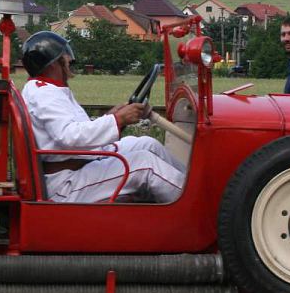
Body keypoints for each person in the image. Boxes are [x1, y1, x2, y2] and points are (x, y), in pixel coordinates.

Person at [19, 31, 185, 203]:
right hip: (65, 183)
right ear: (53, 63)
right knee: (146, 164)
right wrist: (118, 119)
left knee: (147, 143)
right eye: (65, 56)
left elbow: (73, 128)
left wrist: (111, 116)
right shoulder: (44, 93)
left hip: (79, 162)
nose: (69, 59)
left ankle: (192, 185)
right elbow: (69, 135)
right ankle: (197, 208)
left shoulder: (48, 89)